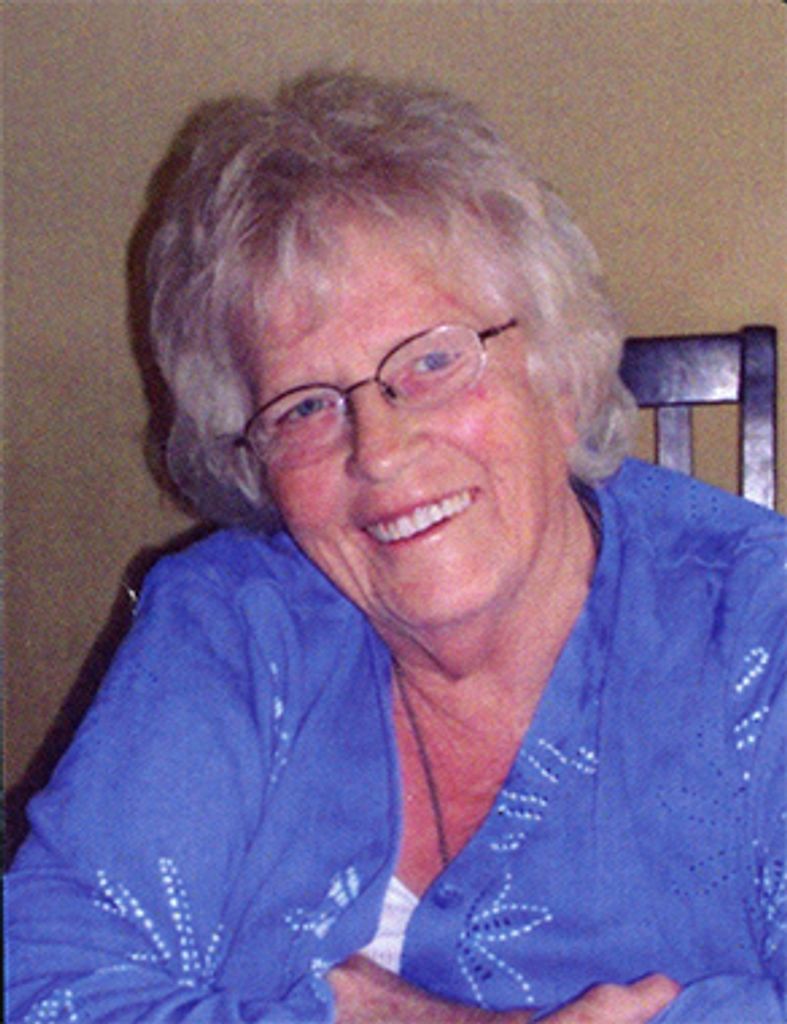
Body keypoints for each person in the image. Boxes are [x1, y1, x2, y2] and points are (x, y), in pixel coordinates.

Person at [6, 70, 784, 1024]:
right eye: (304, 407)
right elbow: (41, 986)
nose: (377, 449)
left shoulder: (758, 627)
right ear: (255, 462)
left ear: (558, 373)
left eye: (432, 359)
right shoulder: (227, 626)